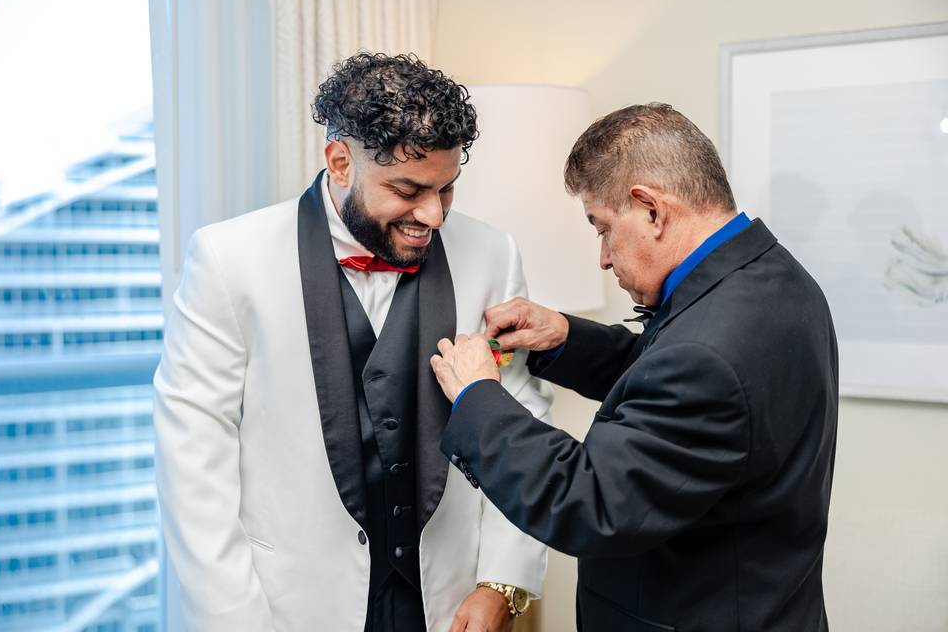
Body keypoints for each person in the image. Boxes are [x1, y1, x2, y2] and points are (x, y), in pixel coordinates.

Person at [153, 52, 551, 632]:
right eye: (408, 189)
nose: (434, 215)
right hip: (289, 607)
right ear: (340, 162)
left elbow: (520, 421)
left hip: (445, 599)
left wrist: (501, 584)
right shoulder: (227, 259)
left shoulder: (494, 254)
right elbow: (192, 461)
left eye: (447, 190)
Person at [430, 103, 838, 632]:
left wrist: (477, 395)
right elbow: (673, 383)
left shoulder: (708, 353)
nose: (602, 256)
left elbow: (587, 502)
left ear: (651, 209)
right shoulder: (772, 277)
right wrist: (564, 336)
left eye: (601, 227)